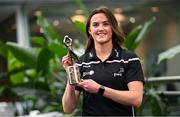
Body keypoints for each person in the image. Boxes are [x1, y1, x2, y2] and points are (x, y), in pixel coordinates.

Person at [62, 6, 144, 116]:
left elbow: (136, 99)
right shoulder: (82, 62)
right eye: (95, 25)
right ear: (90, 30)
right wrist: (70, 73)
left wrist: (100, 89)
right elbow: (68, 108)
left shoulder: (129, 58)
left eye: (106, 24)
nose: (101, 29)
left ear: (113, 28)